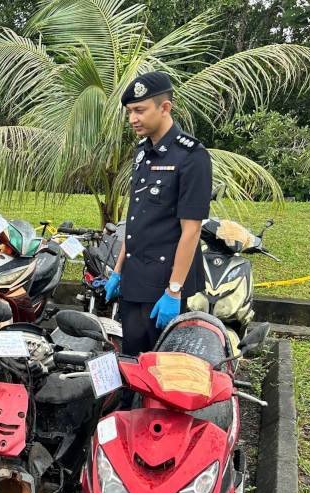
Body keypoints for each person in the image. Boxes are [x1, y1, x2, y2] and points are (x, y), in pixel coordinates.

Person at [105, 72, 211, 355]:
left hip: (164, 281)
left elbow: (191, 230)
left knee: (160, 368)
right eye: (130, 112)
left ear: (165, 108)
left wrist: (174, 290)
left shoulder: (191, 156)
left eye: (140, 110)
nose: (132, 119)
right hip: (136, 277)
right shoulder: (143, 152)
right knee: (131, 359)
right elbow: (138, 220)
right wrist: (118, 271)